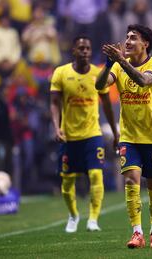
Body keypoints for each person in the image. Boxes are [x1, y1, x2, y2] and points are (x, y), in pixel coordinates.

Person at [96, 24, 152, 248]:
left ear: (145, 43)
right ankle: (137, 232)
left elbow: (142, 80)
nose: (127, 41)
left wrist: (121, 61)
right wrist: (110, 63)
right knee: (131, 179)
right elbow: (99, 85)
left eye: (133, 38)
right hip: (128, 137)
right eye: (126, 37)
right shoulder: (118, 68)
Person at [50, 36, 118, 233]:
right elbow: (54, 103)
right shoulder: (61, 73)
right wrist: (57, 127)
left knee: (96, 174)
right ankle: (73, 215)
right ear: (74, 51)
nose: (85, 51)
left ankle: (93, 219)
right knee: (67, 180)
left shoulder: (99, 74)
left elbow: (106, 105)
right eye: (81, 48)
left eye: (88, 48)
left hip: (92, 134)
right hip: (69, 136)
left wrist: (115, 133)